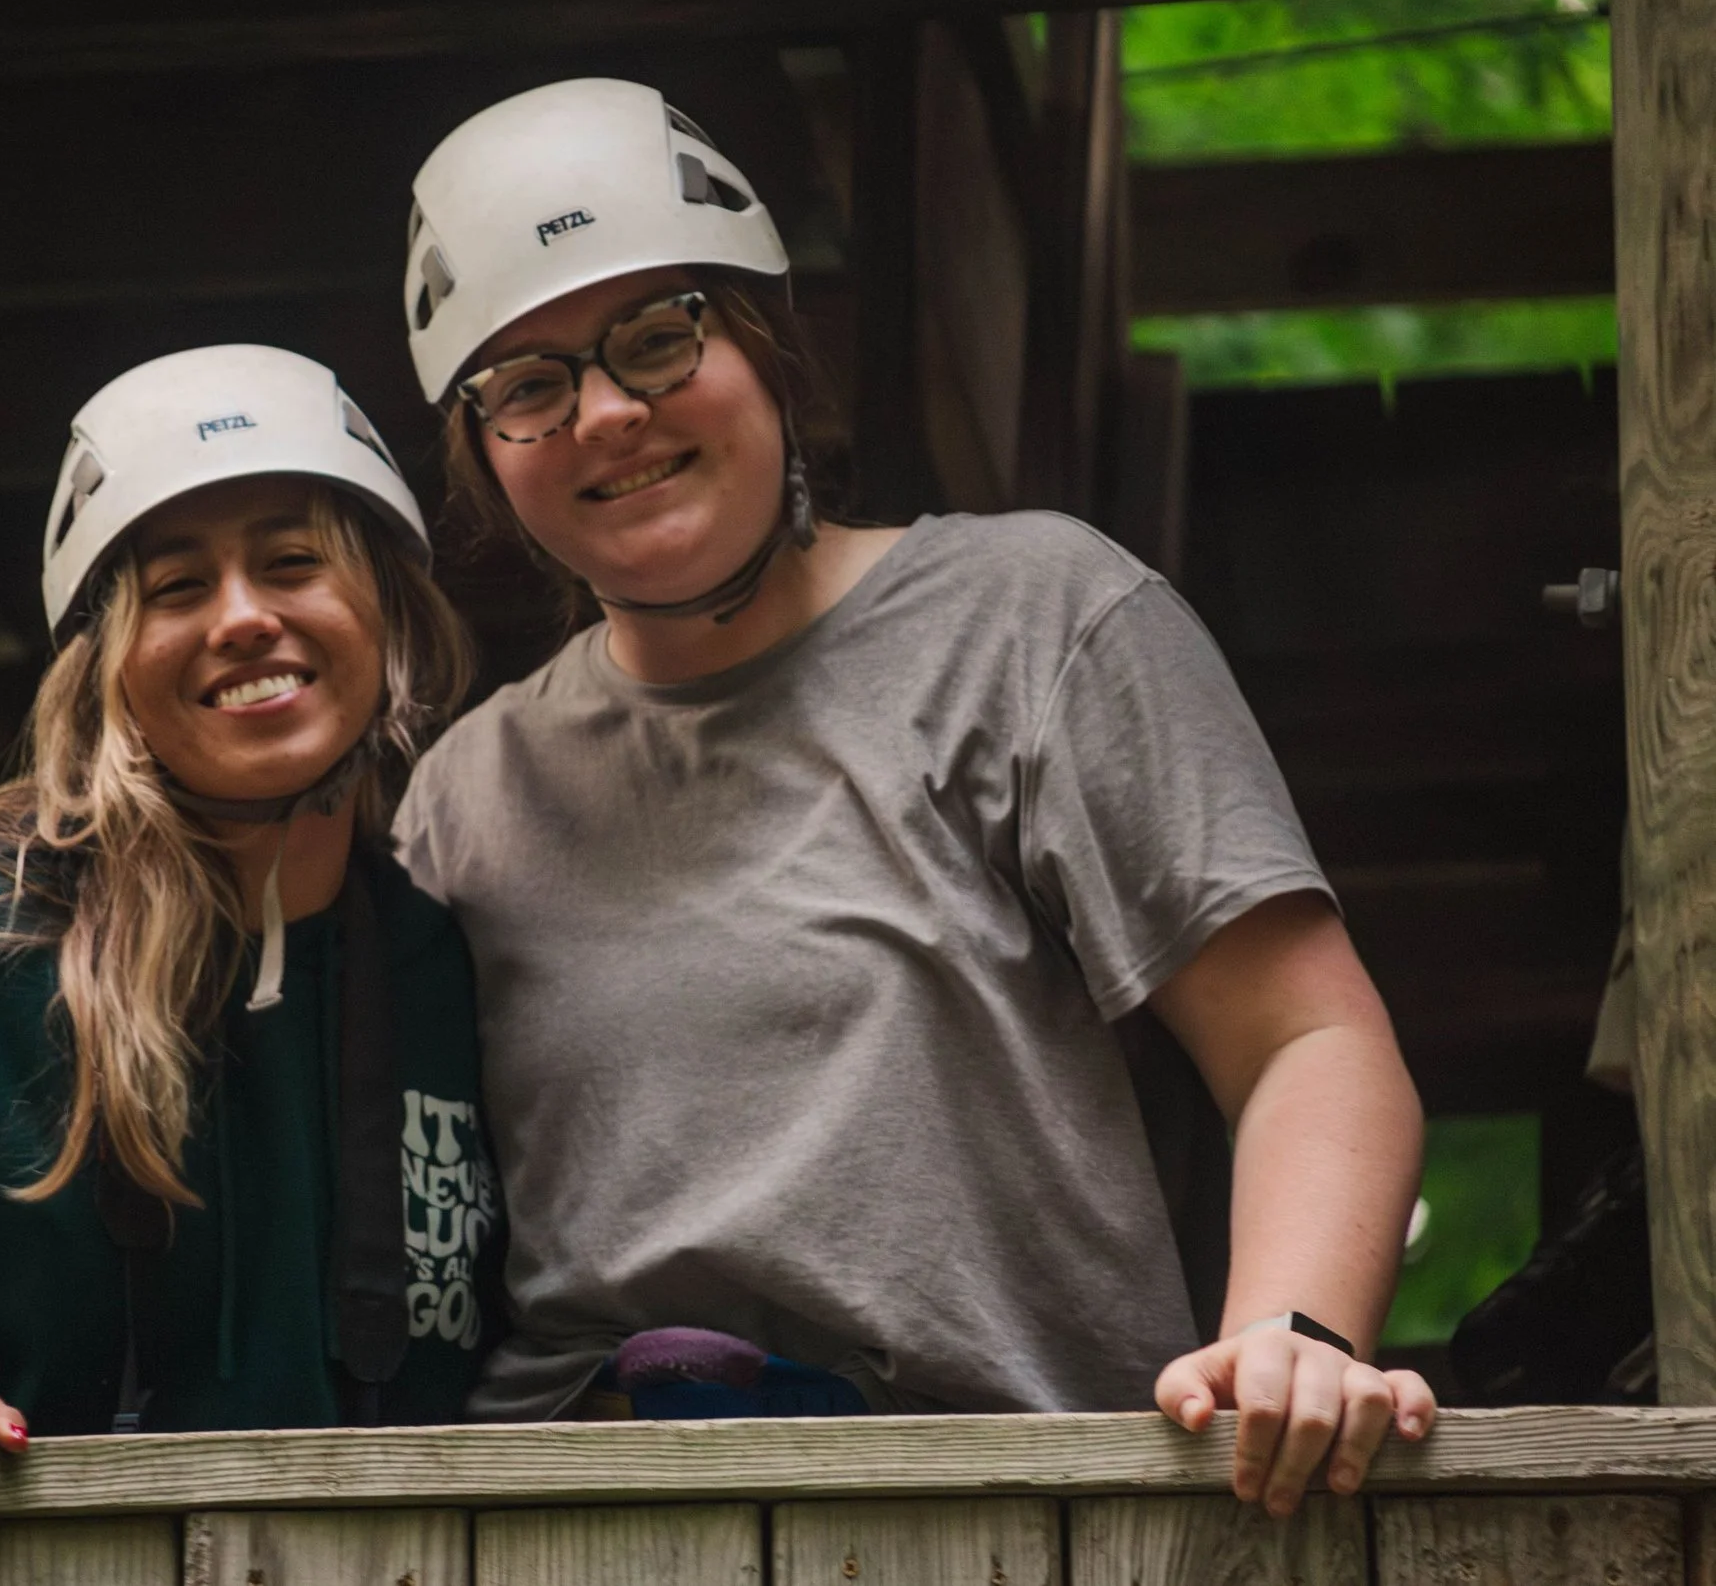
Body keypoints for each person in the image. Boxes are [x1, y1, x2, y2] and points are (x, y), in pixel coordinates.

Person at [390, 78, 1434, 1517]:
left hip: (1003, 1509)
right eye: (529, 383)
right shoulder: (462, 798)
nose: (609, 413)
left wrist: (1295, 1333)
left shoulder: (1034, 621)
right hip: (589, 1523)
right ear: (488, 452)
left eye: (656, 335)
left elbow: (1308, 1036)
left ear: (760, 339)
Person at [0, 346, 502, 1556]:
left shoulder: (454, 968)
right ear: (106, 665)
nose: (242, 616)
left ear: (385, 610)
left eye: (293, 562)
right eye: (175, 587)